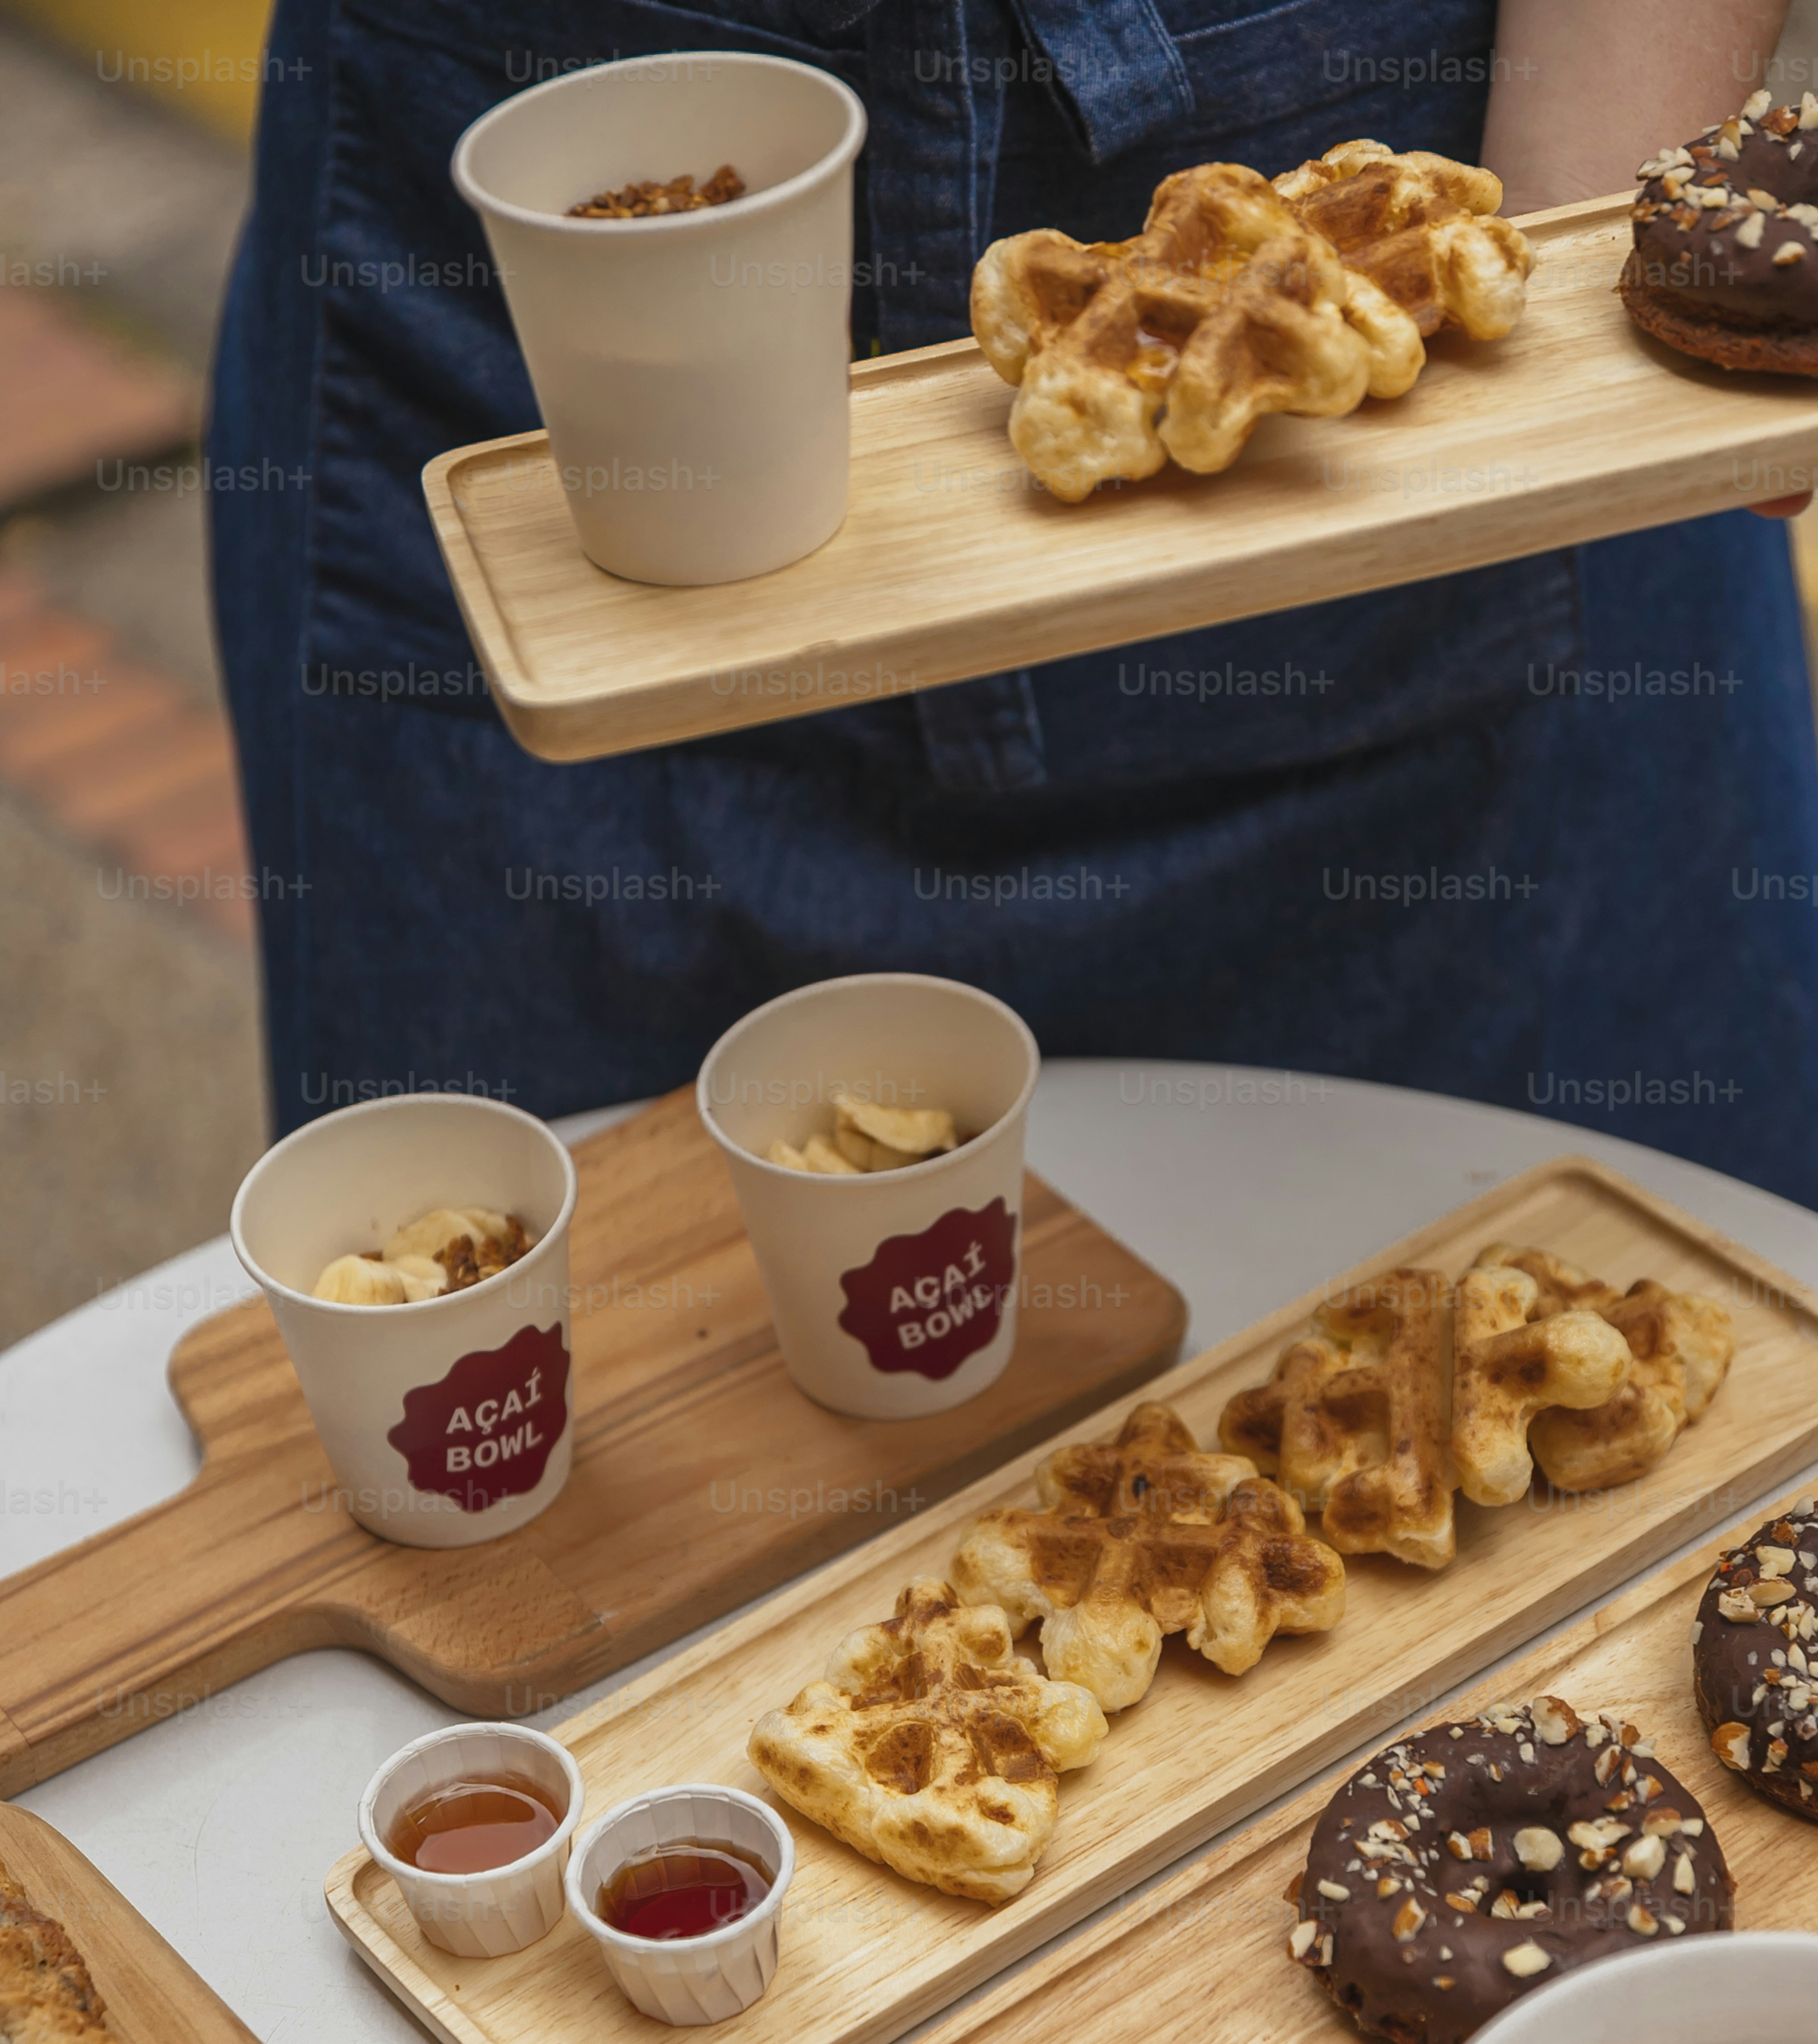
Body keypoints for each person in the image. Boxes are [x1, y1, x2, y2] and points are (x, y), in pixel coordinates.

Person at [210, 0, 1818, 1205]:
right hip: (524, 261)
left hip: (1430, 199)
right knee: (537, 1488)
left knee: (1638, 1421)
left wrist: (1609, 243)